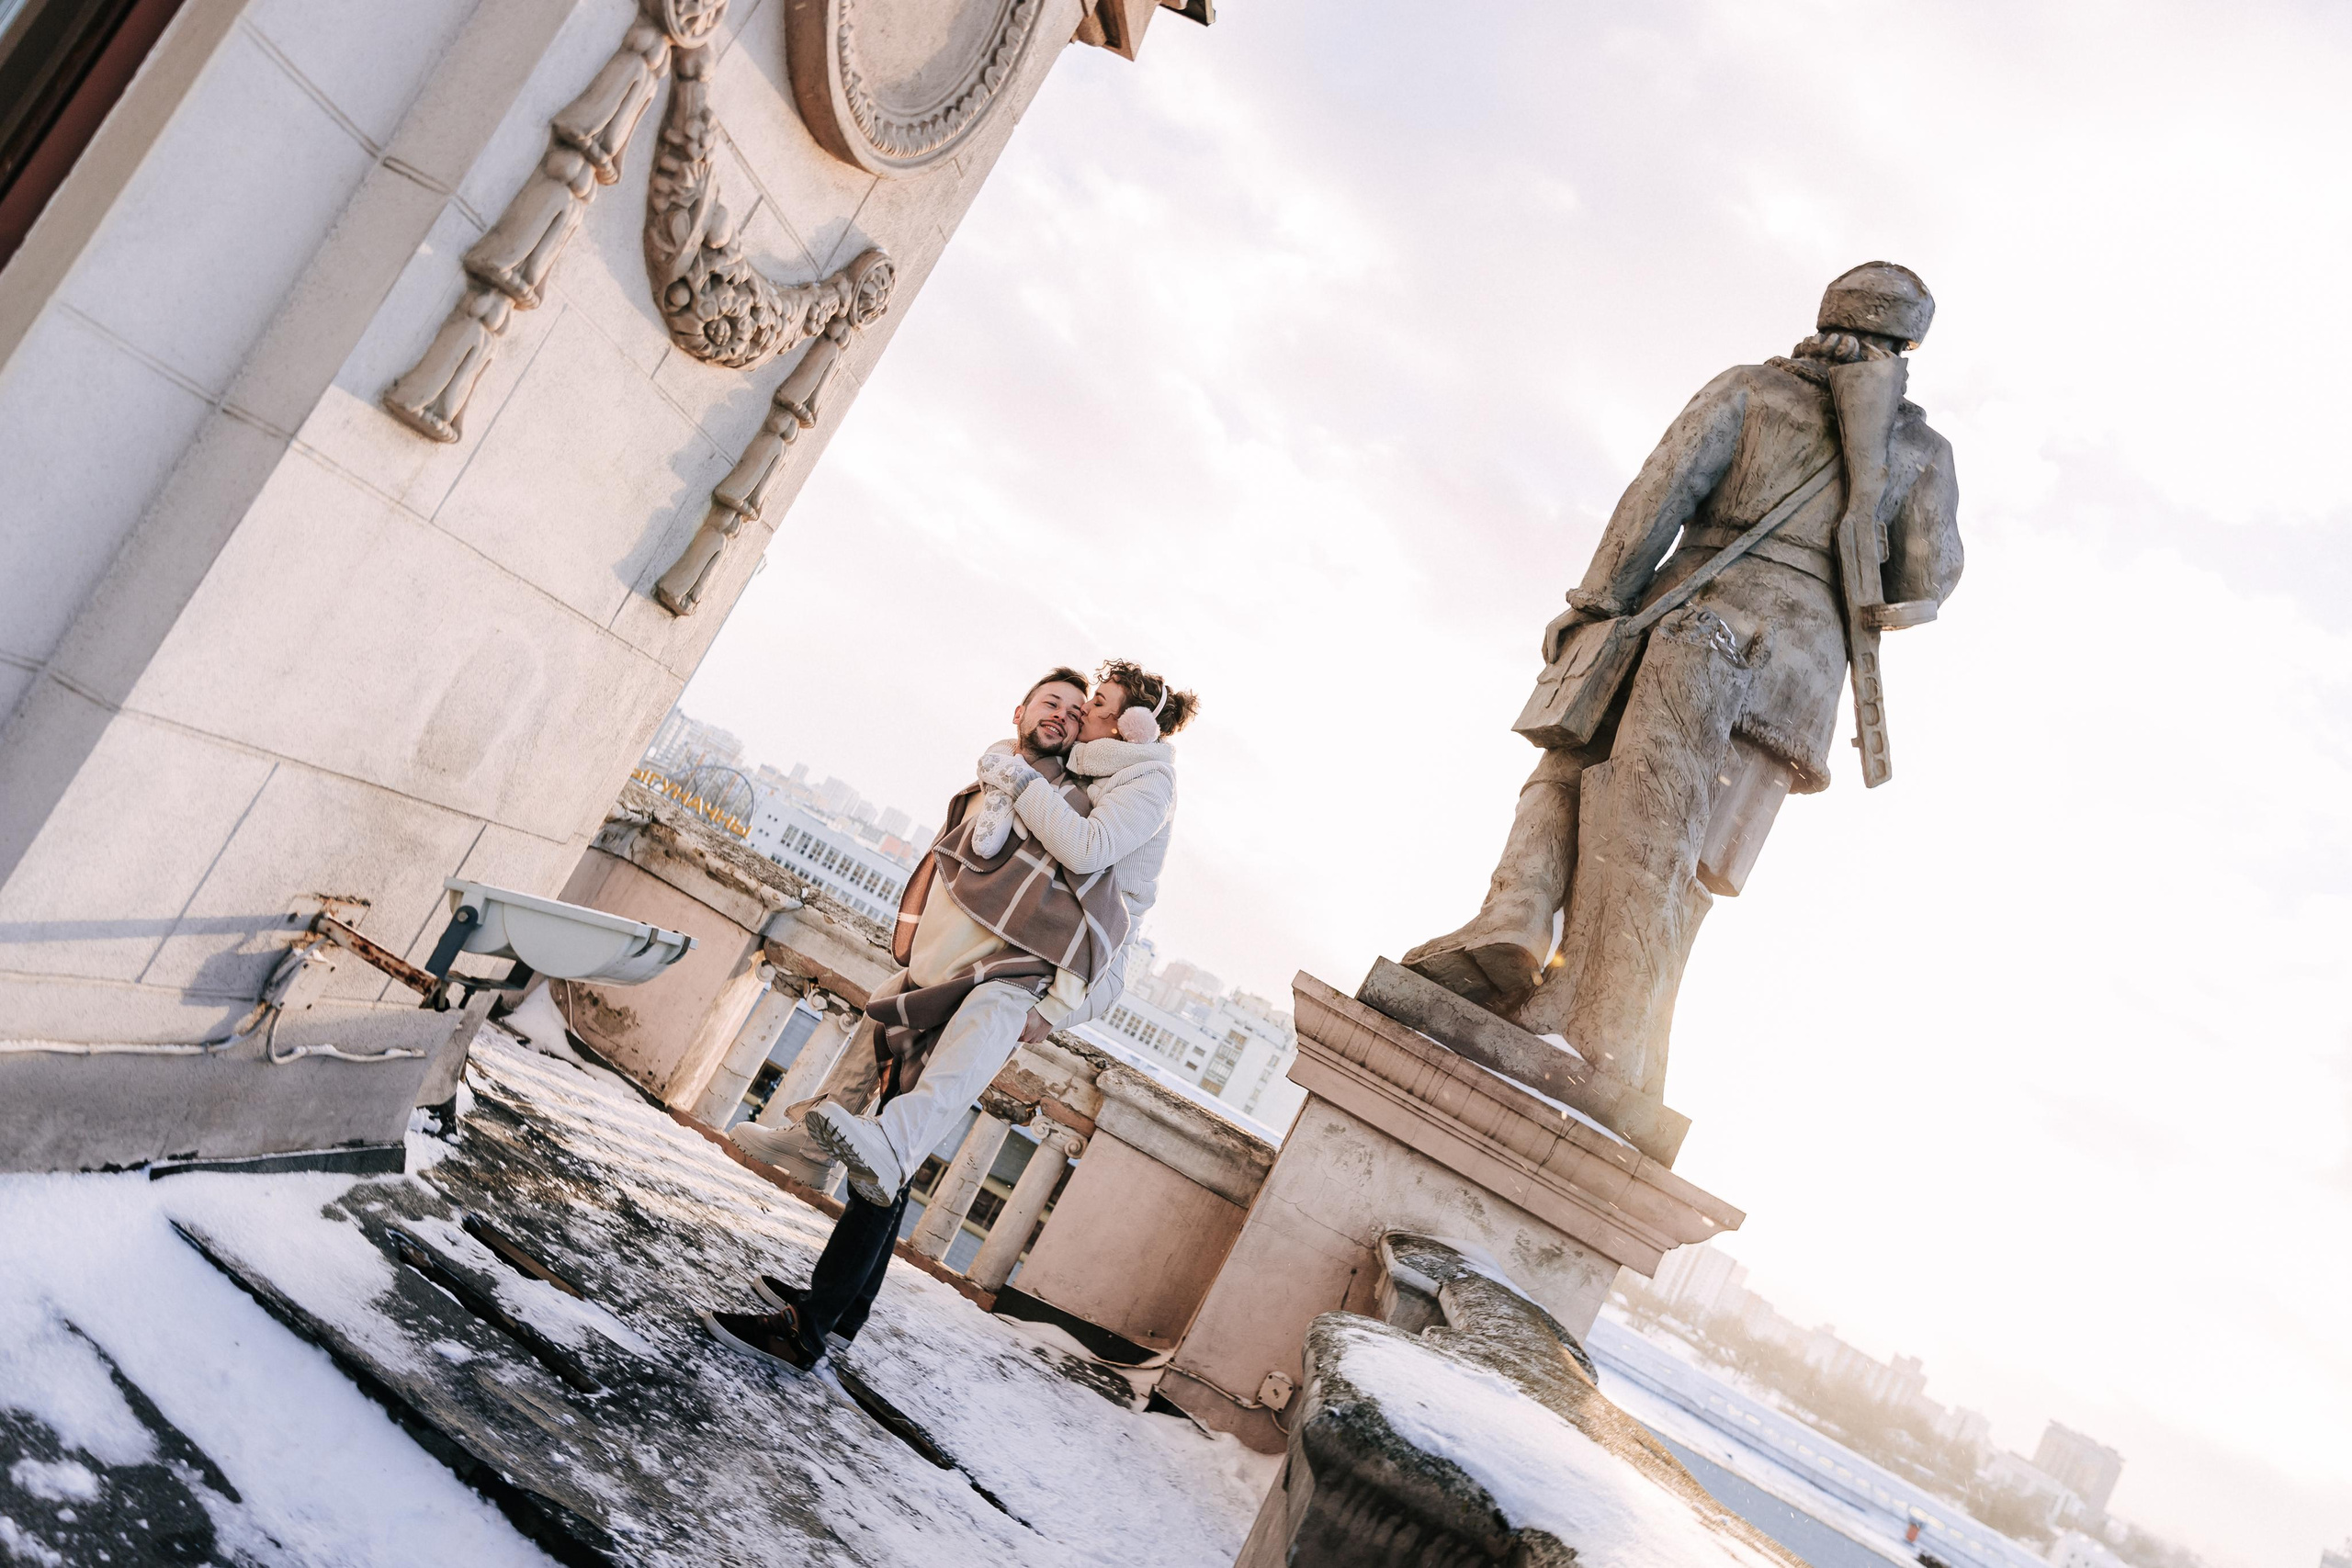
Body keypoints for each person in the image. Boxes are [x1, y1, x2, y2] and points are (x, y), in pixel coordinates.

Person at [1402, 262, 1962, 1097]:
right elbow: (1932, 576)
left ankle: (1520, 917)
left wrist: (1595, 601)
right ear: (1905, 345)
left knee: (1573, 757)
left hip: (1692, 616)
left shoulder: (1752, 390)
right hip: (1801, 683)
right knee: (1697, 855)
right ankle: (1626, 1024)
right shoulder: (1922, 451)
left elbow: (1657, 496)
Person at [705, 660, 1195, 1371]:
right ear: (1019, 707)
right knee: (890, 1127)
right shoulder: (1044, 780)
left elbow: (1072, 890)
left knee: (894, 1146)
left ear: (1127, 726)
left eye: (1089, 706)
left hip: (1007, 976)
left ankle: (810, 1321)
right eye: (1059, 703)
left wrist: (1049, 1002)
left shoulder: (1095, 791)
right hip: (956, 966)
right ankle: (840, 1309)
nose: (1076, 714)